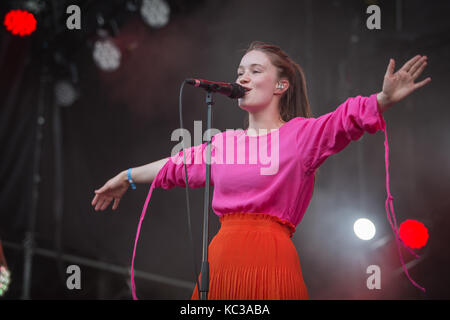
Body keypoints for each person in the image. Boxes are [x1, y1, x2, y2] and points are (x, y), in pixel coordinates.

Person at [91, 41, 431, 299]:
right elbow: (177, 164)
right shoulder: (223, 144)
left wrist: (382, 100)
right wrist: (126, 176)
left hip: (271, 261)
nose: (242, 77)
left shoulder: (300, 135)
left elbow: (343, 121)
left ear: (281, 86)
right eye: (240, 71)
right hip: (221, 261)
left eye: (255, 70)